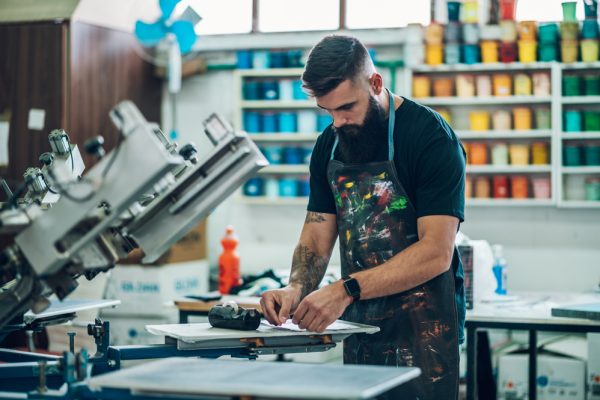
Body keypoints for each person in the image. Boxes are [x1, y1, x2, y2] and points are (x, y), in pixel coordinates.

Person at [260, 35, 466, 400]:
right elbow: (316, 235)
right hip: (360, 325)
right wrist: (296, 288)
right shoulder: (330, 144)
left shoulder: (430, 137)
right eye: (328, 111)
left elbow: (436, 252)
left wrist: (345, 289)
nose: (338, 121)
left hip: (425, 331)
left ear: (375, 83)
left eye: (347, 108)